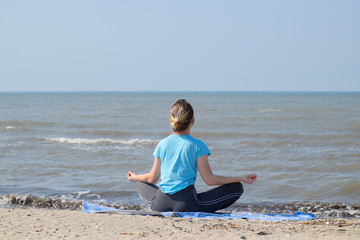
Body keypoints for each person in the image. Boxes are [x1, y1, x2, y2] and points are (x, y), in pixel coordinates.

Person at [127, 99, 257, 213]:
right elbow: (209, 180)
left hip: (160, 204)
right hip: (186, 205)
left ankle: (155, 197)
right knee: (237, 187)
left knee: (141, 183)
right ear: (192, 120)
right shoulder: (198, 145)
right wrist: (240, 178)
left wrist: (135, 177)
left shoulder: (162, 143)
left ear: (172, 121)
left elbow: (152, 178)